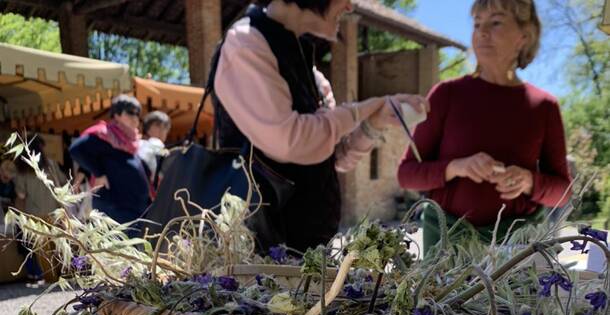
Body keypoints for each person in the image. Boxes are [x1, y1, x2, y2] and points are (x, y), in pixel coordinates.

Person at [211, 0, 428, 253]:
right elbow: (292, 141)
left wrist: (374, 123)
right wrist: (365, 108)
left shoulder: (303, 59)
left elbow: (331, 154)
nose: (349, 7)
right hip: (261, 258)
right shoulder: (247, 43)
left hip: (309, 251)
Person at [397, 0, 572, 256]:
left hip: (517, 253)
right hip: (446, 249)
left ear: (524, 36)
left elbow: (563, 192)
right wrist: (456, 167)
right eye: (477, 23)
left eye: (496, 22)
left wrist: (528, 181)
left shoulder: (544, 106)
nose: (482, 31)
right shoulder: (446, 95)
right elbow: (406, 174)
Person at [69, 95, 151, 230]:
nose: (135, 118)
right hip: (114, 212)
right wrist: (99, 173)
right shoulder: (106, 134)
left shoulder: (131, 143)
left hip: (134, 214)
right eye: (130, 112)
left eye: (137, 114)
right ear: (117, 114)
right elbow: (77, 149)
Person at [14, 135, 67, 287]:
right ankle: (65, 275)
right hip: (55, 211)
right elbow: (63, 183)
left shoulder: (22, 169)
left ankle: (51, 279)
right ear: (40, 148)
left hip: (34, 213)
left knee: (43, 250)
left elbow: (21, 195)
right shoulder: (51, 164)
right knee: (60, 244)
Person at [137, 110, 171, 189]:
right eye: (158, 126)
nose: (162, 131)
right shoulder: (155, 143)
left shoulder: (138, 143)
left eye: (165, 128)